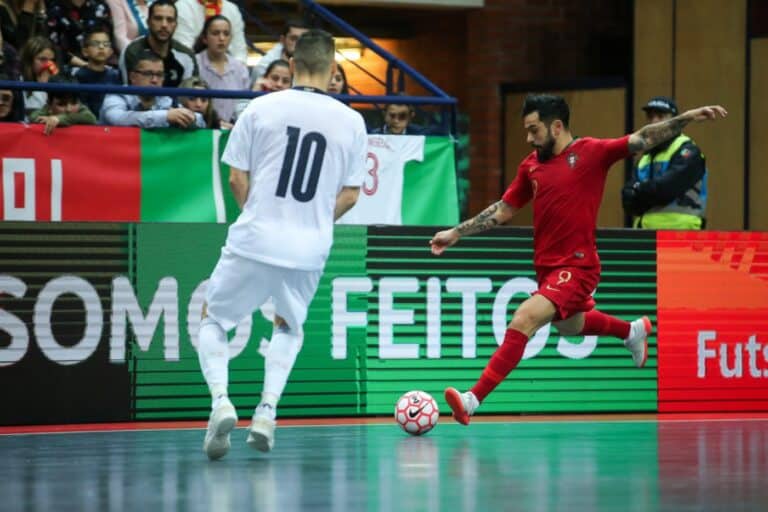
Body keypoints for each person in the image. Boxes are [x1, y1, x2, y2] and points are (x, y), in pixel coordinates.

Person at [429, 93, 727, 426]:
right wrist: (456, 232)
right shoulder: (531, 166)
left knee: (524, 318)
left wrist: (687, 115)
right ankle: (631, 331)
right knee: (570, 325)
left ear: (556, 127)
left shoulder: (591, 153)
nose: (529, 139)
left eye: (534, 130)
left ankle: (472, 400)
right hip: (547, 268)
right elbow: (503, 210)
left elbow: (643, 138)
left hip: (578, 265)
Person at [197, 28, 367, 460]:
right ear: (333, 72)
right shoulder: (351, 120)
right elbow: (350, 193)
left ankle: (220, 402)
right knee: (288, 326)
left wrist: (260, 216)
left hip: (256, 236)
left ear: (291, 65)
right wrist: (309, 220)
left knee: (212, 319)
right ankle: (267, 412)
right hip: (309, 248)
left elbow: (237, 177)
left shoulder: (260, 108)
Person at [622, 96, 708, 229]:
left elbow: (665, 189)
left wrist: (638, 190)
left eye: (661, 116)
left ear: (674, 120)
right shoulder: (644, 157)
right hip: (644, 235)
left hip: (680, 236)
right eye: (650, 116)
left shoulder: (688, 151)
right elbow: (627, 201)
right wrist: (638, 192)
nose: (654, 121)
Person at [101, 50, 204, 128]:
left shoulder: (164, 100)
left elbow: (200, 121)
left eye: (159, 75)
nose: (154, 80)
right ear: (132, 77)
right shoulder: (117, 95)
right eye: (148, 74)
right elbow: (118, 120)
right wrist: (165, 117)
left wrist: (191, 118)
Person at [119, 0, 197, 87]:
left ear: (175, 25)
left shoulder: (186, 56)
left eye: (170, 20)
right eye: (158, 19)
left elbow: (191, 95)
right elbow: (128, 94)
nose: (164, 25)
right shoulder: (132, 51)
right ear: (148, 22)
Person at [194, 14, 248, 124]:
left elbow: (244, 104)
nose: (221, 38)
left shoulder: (240, 69)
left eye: (226, 34)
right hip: (201, 128)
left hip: (232, 129)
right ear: (205, 38)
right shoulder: (195, 63)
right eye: (215, 33)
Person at [173, 0, 247, 65]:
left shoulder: (232, 9)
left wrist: (235, 73)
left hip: (228, 70)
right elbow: (183, 53)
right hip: (194, 70)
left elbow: (239, 52)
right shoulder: (183, 6)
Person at [69, 28, 122, 116]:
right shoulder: (77, 76)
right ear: (85, 51)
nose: (101, 47)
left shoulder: (116, 76)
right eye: (95, 44)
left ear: (110, 52)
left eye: (106, 44)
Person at [45, 0, 111, 68]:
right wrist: (84, 65)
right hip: (67, 66)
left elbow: (108, 40)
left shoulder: (100, 6)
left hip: (101, 64)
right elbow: (54, 46)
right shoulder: (55, 8)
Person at [28, 74, 96, 134]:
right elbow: (33, 117)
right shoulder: (47, 109)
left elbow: (91, 118)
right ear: (49, 103)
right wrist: (50, 119)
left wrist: (59, 119)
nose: (69, 109)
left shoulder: (81, 109)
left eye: (73, 102)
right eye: (61, 104)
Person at [19, 35, 56, 115]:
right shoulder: (18, 81)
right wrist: (41, 87)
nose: (48, 65)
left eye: (51, 60)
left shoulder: (57, 81)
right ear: (29, 60)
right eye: (42, 59)